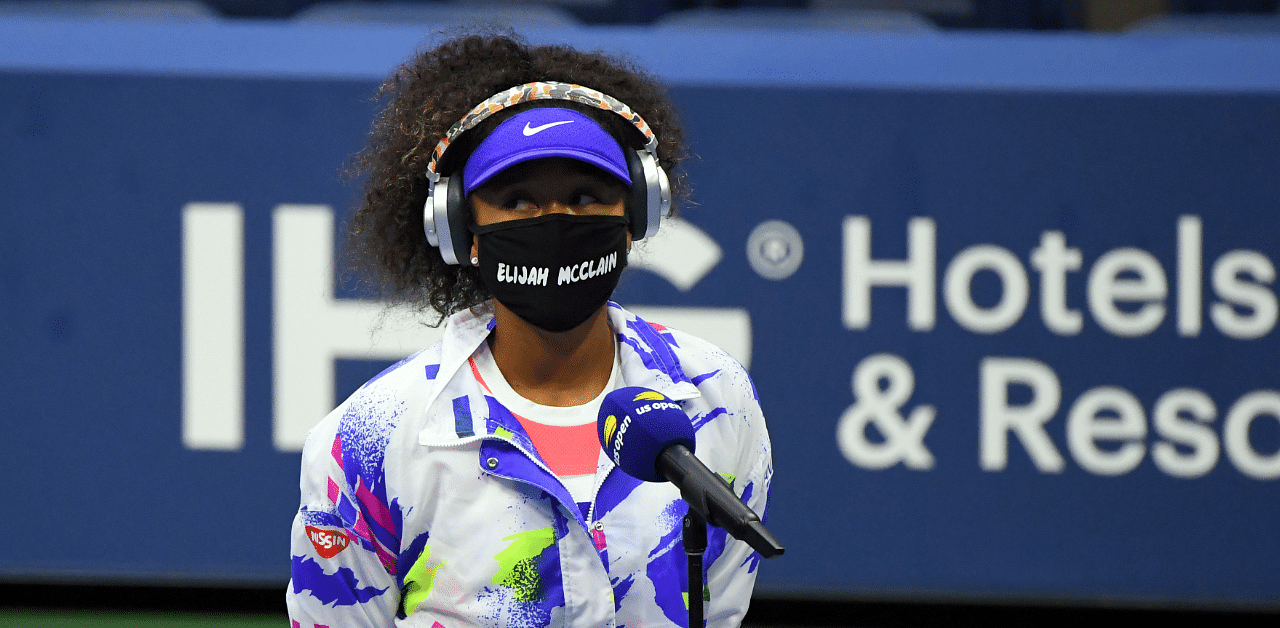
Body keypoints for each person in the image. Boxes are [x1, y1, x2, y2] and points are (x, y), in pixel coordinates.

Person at [286, 32, 773, 628]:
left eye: (586, 196)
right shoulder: (368, 441)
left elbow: (720, 610)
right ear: (459, 228)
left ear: (634, 217)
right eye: (517, 201)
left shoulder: (717, 399)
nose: (555, 223)